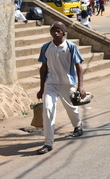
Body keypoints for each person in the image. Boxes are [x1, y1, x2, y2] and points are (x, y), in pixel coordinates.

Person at [36, 22, 86, 154]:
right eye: (53, 31)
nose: (55, 33)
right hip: (50, 84)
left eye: (58, 31)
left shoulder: (71, 46)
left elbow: (79, 66)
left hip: (67, 83)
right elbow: (43, 68)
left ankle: (78, 126)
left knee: (71, 108)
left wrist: (80, 86)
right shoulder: (46, 47)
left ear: (63, 32)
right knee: (47, 109)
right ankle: (48, 143)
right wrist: (41, 88)